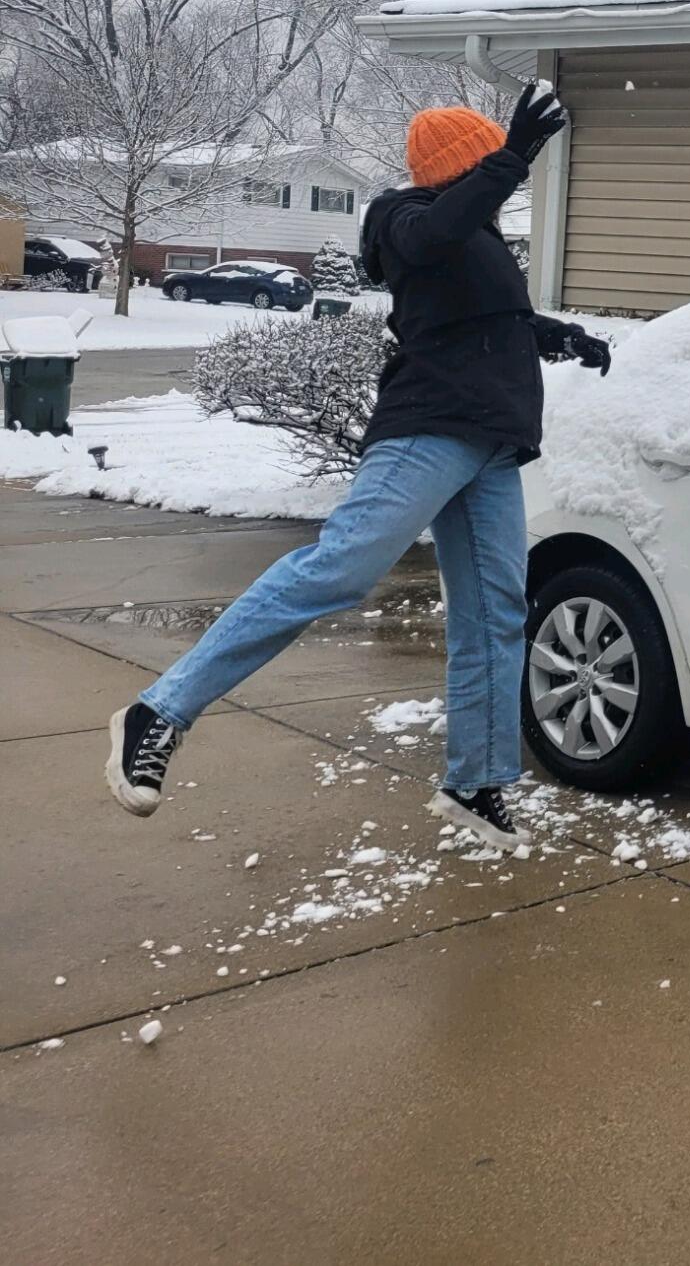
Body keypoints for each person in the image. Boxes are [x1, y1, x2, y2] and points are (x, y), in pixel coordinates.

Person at [105, 84, 612, 851]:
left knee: (495, 612)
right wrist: (512, 156)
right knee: (339, 570)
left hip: (491, 443)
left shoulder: (472, 234)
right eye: (485, 163)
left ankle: (476, 780)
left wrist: (556, 335)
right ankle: (159, 711)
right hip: (429, 428)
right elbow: (434, 235)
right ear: (464, 165)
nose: (500, 181)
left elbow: (481, 317)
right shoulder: (401, 217)